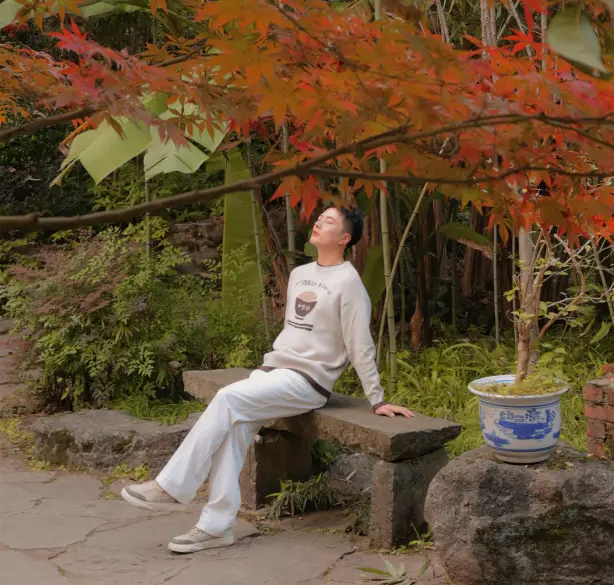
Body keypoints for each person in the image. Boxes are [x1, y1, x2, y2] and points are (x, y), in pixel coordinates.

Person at [121, 204, 413, 553]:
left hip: (308, 382)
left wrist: (376, 398)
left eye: (329, 221)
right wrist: (263, 372)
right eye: (319, 216)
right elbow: (292, 335)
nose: (319, 221)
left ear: (345, 238)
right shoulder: (302, 273)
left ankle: (171, 486)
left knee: (228, 399)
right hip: (274, 373)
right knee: (235, 427)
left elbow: (360, 345)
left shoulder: (350, 284)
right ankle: (215, 527)